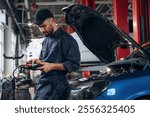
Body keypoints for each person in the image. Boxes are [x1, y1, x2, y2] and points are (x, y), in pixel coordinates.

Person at [27, 8, 80, 100]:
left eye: (44, 26)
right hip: (43, 84)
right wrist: (37, 62)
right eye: (39, 27)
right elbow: (45, 62)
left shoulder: (67, 40)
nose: (42, 30)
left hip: (57, 86)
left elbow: (74, 64)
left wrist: (52, 66)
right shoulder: (46, 40)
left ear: (52, 21)